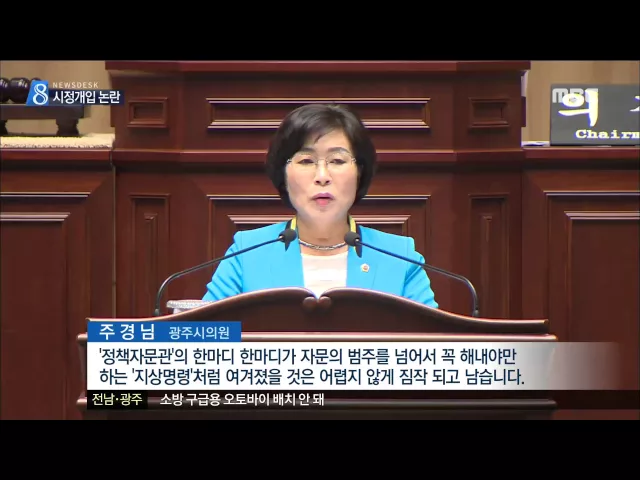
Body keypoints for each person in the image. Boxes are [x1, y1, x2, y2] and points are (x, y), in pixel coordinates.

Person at [202, 103, 438, 308]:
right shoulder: (248, 253)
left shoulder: (399, 257)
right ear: (283, 173)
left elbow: (434, 340)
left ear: (359, 172)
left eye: (337, 160)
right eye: (306, 160)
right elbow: (205, 337)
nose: (322, 176)